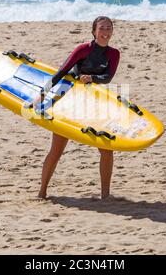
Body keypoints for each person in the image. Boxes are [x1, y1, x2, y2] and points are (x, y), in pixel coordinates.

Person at [34, 16, 121, 199]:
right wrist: (42, 94)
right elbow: (62, 71)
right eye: (102, 28)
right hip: (69, 99)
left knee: (106, 149)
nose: (106, 32)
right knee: (57, 149)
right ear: (94, 31)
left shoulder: (114, 54)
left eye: (109, 28)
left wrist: (92, 78)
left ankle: (105, 196)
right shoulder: (83, 49)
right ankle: (42, 192)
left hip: (93, 101)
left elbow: (108, 77)